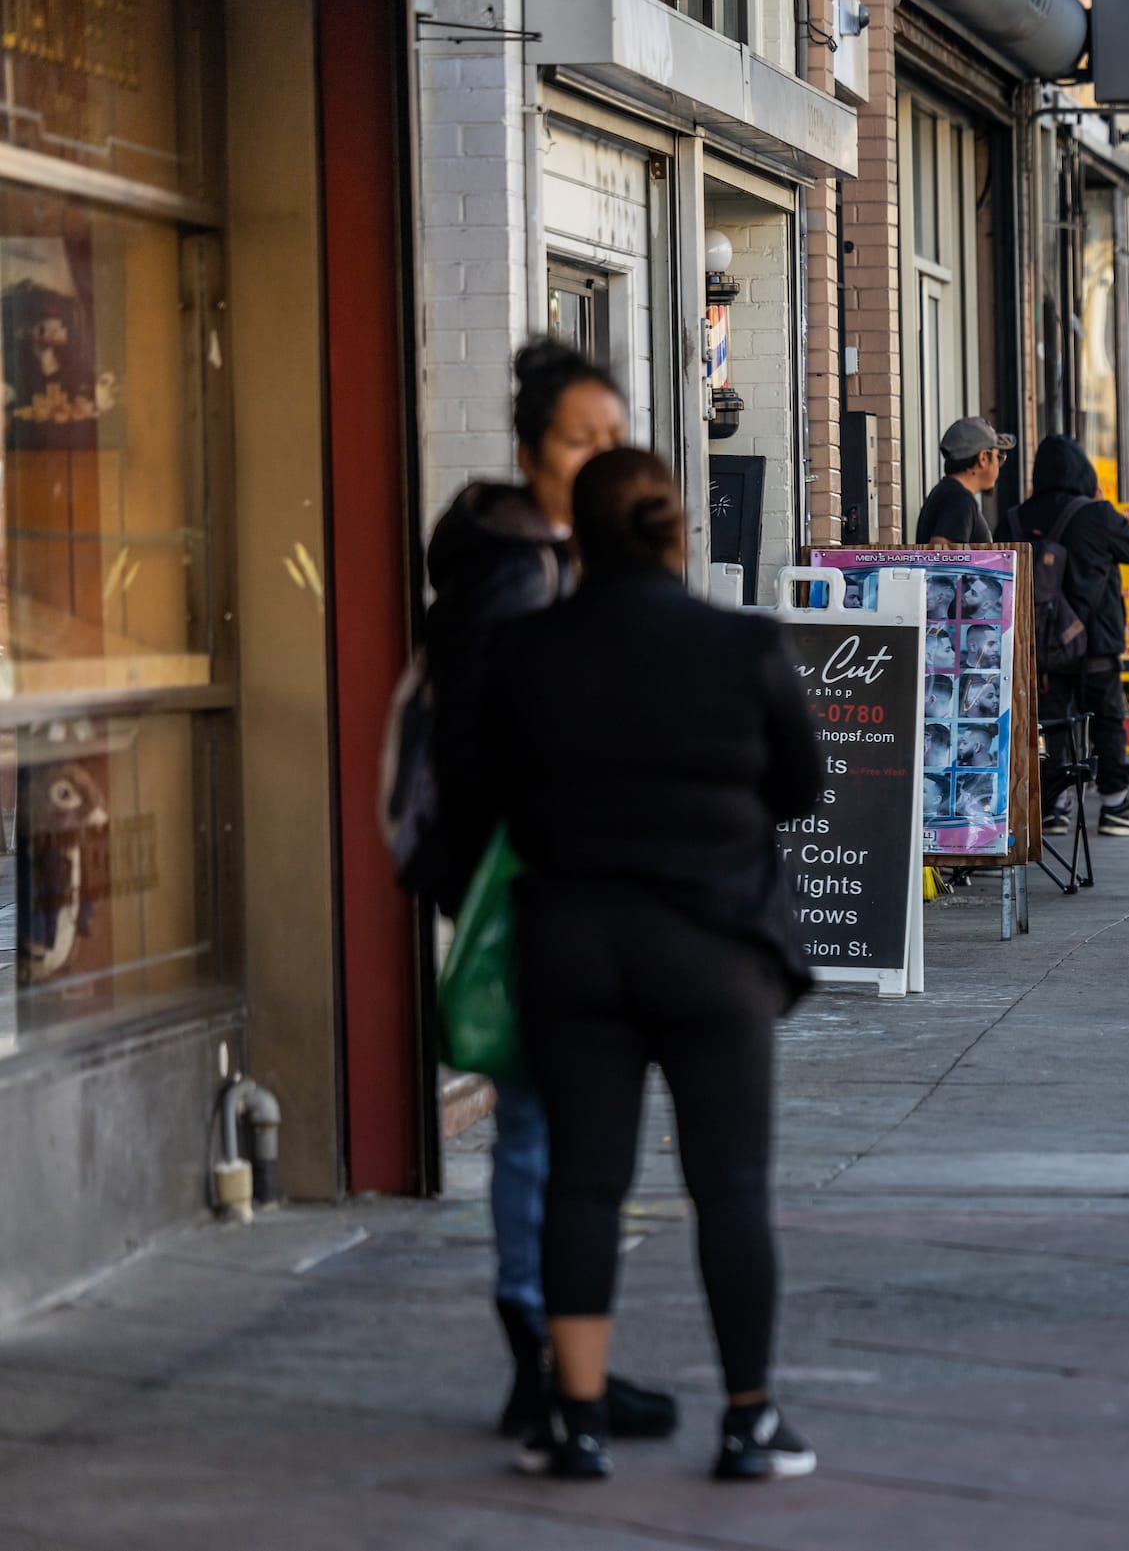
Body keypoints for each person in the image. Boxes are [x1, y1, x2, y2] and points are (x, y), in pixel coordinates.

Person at [471, 447, 821, 1482]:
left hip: (574, 943)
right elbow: (799, 785)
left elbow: (493, 793)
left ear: (576, 533)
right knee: (732, 1182)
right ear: (678, 533)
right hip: (715, 946)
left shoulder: (526, 652)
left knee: (583, 1181)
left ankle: (575, 1420)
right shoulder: (743, 643)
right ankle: (749, 1421)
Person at [420, 340, 678, 1449]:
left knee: (556, 1121)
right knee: (542, 1122)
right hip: (530, 877)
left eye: (613, 439)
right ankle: (543, 1351)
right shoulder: (522, 570)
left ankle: (560, 1350)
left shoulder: (548, 553)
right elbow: (492, 741)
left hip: (542, 868)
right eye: (581, 441)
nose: (600, 459)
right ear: (530, 453)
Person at [1010, 434, 1129, 836]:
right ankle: (1115, 807)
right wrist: (1101, 503)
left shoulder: (1017, 517)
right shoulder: (1097, 513)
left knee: (1053, 721)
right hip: (1094, 641)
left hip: (1041, 646)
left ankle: (1054, 807)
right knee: (1106, 721)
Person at [914, 416, 1015, 546]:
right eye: (999, 457)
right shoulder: (960, 500)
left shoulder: (949, 493)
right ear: (983, 458)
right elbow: (941, 558)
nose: (998, 466)